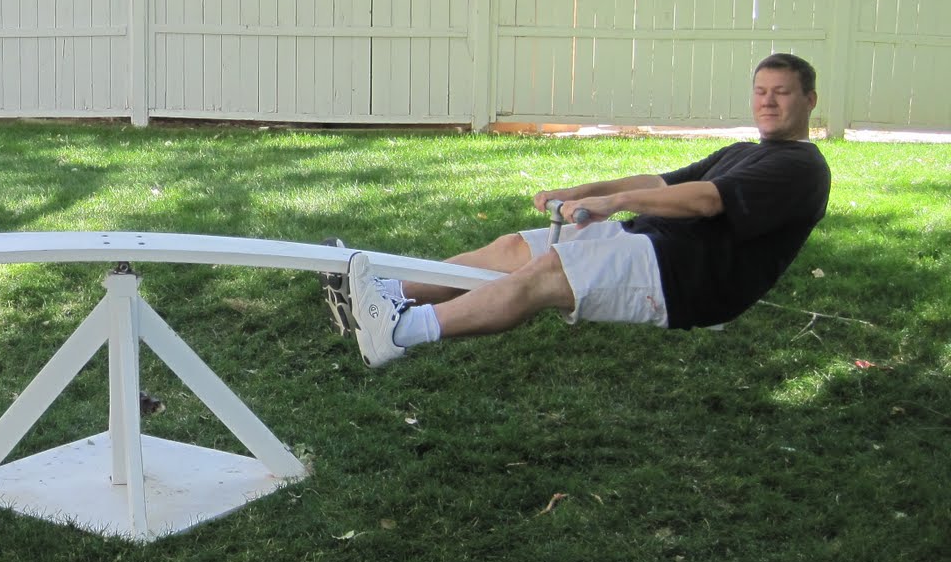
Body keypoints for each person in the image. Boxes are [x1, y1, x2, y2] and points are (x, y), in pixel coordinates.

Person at [333, 53, 832, 368]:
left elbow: (706, 199)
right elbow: (663, 183)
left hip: (687, 278)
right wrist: (584, 188)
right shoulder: (746, 151)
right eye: (761, 91)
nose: (767, 102)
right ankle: (385, 294)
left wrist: (613, 203)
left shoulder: (800, 166)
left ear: (809, 100)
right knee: (513, 249)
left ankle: (396, 332)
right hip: (650, 241)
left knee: (546, 274)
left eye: (781, 93)